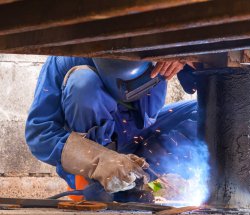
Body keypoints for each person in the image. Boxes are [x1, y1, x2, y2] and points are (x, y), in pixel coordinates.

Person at [25, 56, 199, 202]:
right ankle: (99, 184)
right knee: (83, 83)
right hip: (95, 156)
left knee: (205, 110)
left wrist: (187, 54)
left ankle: (142, 178)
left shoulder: (160, 47)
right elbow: (40, 134)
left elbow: (208, 70)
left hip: (140, 138)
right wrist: (98, 161)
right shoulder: (64, 58)